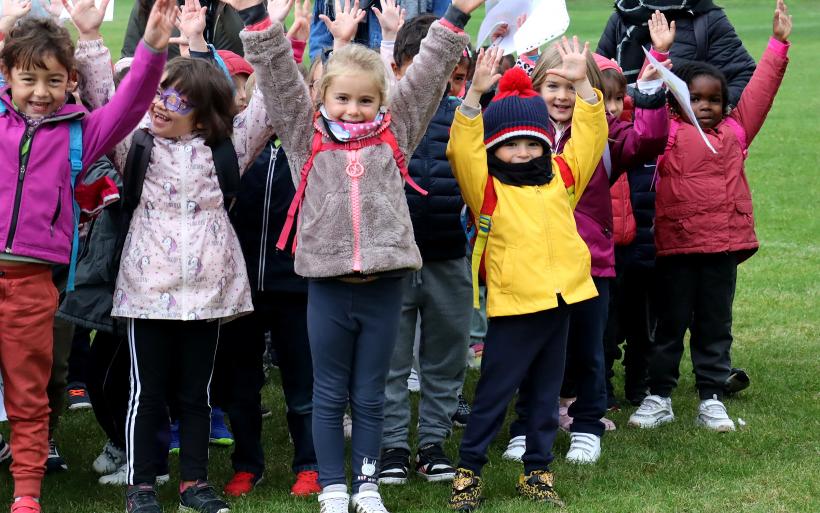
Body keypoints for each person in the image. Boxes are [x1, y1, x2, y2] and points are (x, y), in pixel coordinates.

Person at [235, 0, 478, 511]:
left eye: (365, 101)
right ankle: (332, 486)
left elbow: (431, 70)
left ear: (382, 101)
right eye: (342, 98)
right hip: (325, 287)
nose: (352, 109)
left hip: (384, 287)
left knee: (370, 394)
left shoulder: (398, 131)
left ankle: (366, 484)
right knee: (329, 394)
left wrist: (456, 14)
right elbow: (278, 74)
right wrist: (255, 15)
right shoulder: (306, 134)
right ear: (321, 96)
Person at [74, 0, 281, 510]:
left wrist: (266, 29)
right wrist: (91, 37)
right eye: (159, 95)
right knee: (146, 396)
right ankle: (141, 483)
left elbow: (275, 101)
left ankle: (194, 482)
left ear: (209, 114)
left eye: (177, 100)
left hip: (208, 294)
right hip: (148, 293)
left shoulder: (228, 148)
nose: (161, 105)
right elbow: (106, 99)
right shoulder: (136, 145)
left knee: (195, 394)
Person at [0, 0, 173, 510]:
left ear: (70, 79)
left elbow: (132, 104)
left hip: (33, 285)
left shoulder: (82, 130)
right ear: (7, 75)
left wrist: (153, 48)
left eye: (53, 81)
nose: (39, 92)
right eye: (27, 79)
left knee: (29, 394)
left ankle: (27, 493)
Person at [446, 40, 607, 511]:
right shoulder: (487, 188)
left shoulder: (561, 174)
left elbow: (591, 138)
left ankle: (537, 471)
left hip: (561, 302)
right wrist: (474, 96)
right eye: (509, 145)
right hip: (516, 308)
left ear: (544, 141)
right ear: (494, 149)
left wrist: (582, 84)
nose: (521, 152)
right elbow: (462, 150)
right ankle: (468, 472)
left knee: (544, 394)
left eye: (530, 142)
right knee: (494, 395)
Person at [628, 0, 792, 432]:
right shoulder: (666, 131)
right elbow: (645, 105)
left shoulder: (735, 132)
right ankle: (659, 395)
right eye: (696, 97)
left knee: (715, 327)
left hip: (722, 249)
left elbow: (760, 92)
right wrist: (660, 54)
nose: (705, 106)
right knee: (669, 327)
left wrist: (777, 44)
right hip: (676, 249)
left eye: (714, 99)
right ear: (680, 98)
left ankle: (712, 397)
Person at [376, 13, 472, 487]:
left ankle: (432, 441)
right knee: (391, 359)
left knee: (445, 355)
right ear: (399, 69)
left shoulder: (464, 116)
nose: (432, 79)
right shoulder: (384, 116)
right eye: (421, 66)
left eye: (447, 69)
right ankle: (393, 443)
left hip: (448, 255)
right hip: (394, 260)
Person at [595, 0, 756, 108]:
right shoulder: (621, 18)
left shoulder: (706, 18)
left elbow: (744, 74)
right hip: (627, 145)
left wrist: (710, 110)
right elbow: (597, 81)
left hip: (687, 148)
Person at [121, 0, 244, 59]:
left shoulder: (249, 3)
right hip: (170, 103)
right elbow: (128, 62)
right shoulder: (153, 3)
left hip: (236, 103)